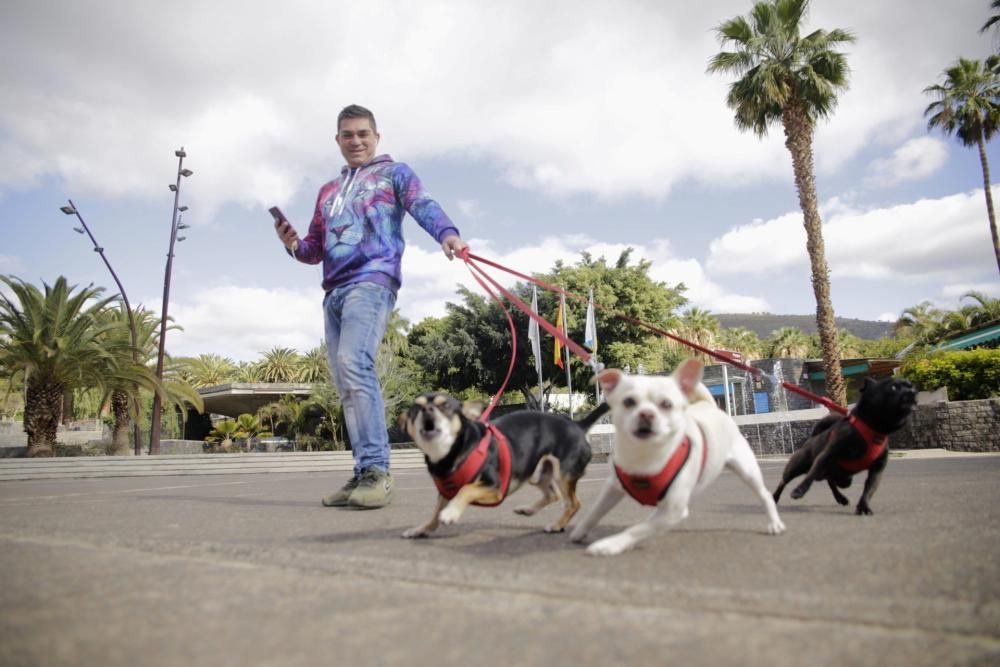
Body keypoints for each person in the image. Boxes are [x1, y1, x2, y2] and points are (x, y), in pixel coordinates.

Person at [275, 104, 467, 509]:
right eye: (348, 134)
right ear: (338, 140)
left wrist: (448, 234)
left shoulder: (395, 174)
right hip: (334, 292)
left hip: (372, 281)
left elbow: (423, 204)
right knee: (346, 384)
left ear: (376, 137)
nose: (356, 140)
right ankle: (364, 471)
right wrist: (291, 243)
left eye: (363, 133)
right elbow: (313, 250)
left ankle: (378, 471)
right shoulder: (327, 192)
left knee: (353, 364)